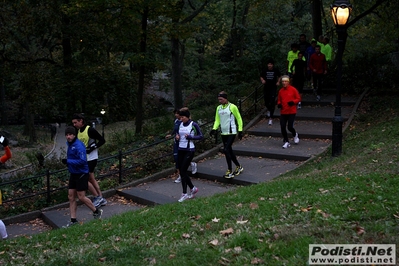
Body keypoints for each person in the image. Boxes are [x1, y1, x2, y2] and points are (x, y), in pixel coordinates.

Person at [62, 126, 103, 227]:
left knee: (81, 197)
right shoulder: (70, 144)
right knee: (71, 196)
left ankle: (96, 211)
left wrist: (68, 161)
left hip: (82, 173)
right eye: (67, 135)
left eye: (70, 134)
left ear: (74, 135)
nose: (68, 137)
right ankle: (73, 220)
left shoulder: (79, 146)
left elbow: (82, 161)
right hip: (73, 173)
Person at [71, 114, 107, 207]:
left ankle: (98, 197)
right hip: (84, 159)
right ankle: (100, 197)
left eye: (75, 122)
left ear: (81, 121)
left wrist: (93, 147)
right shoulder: (78, 132)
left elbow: (102, 140)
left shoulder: (90, 130)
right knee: (91, 178)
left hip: (92, 158)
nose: (74, 125)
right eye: (73, 123)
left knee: (86, 178)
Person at [210, 91, 244, 178]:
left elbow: (239, 118)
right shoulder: (219, 108)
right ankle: (238, 166)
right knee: (229, 150)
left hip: (231, 132)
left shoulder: (232, 107)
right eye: (219, 99)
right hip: (223, 132)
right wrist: (214, 129)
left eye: (221, 99)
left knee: (226, 150)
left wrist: (240, 130)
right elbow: (217, 120)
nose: (220, 101)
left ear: (225, 99)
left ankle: (229, 170)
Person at [175, 108, 203, 202]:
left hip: (189, 150)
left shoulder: (193, 124)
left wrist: (191, 137)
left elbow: (201, 136)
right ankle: (193, 188)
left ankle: (184, 193)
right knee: (181, 172)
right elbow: (178, 135)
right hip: (181, 149)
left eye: (183, 117)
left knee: (183, 171)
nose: (181, 119)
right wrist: (177, 137)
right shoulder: (180, 124)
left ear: (187, 117)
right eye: (180, 117)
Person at [277, 76, 301, 149]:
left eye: (285, 81)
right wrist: (279, 104)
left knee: (290, 127)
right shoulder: (281, 91)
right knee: (282, 126)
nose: (284, 83)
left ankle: (295, 134)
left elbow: (298, 98)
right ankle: (286, 141)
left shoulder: (293, 90)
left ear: (288, 82)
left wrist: (293, 102)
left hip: (291, 111)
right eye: (283, 82)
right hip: (283, 111)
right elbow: (279, 100)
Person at [260, 58, 281, 125]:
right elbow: (261, 76)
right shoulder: (265, 70)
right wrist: (262, 80)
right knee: (266, 101)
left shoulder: (275, 70)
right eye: (269, 64)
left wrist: (278, 81)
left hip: (273, 88)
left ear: (273, 65)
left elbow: (280, 76)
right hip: (266, 87)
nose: (269, 65)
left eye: (271, 64)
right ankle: (269, 109)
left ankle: (271, 118)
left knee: (272, 102)